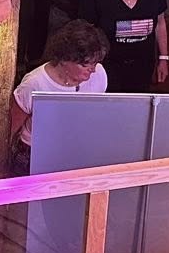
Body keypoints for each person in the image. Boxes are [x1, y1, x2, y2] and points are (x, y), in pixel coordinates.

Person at [10, 20, 109, 162]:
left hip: (76, 147)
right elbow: (12, 128)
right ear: (64, 60)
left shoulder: (99, 74)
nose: (92, 70)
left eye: (95, 63)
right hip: (36, 151)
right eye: (85, 65)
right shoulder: (34, 83)